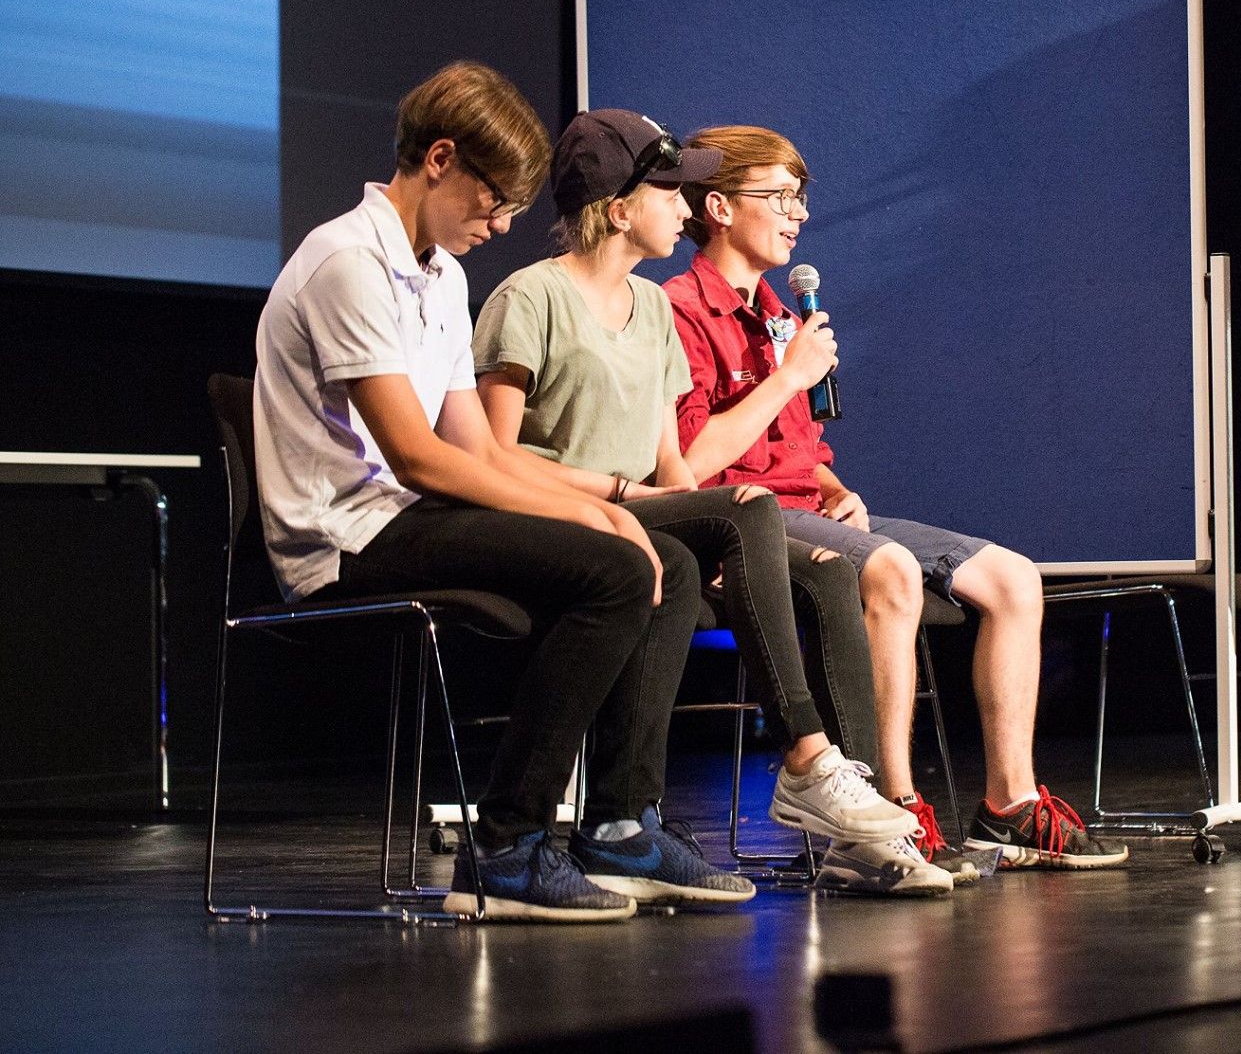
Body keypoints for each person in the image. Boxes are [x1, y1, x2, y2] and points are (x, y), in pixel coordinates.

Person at [253, 62, 723, 922]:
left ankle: (621, 824)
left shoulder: (442, 276)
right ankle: (507, 846)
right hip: (347, 535)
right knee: (617, 571)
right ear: (440, 159)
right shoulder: (348, 261)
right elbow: (418, 457)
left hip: (408, 515)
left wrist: (607, 511)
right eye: (494, 199)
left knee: (671, 562)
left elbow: (477, 448)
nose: (502, 223)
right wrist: (584, 512)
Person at [472, 108, 936, 894]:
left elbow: (674, 472)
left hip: (642, 506)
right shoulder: (531, 297)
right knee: (745, 506)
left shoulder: (649, 308)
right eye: (667, 192)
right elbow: (495, 456)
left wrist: (724, 548)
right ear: (620, 209)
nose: (683, 208)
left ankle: (847, 834)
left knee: (821, 566)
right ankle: (806, 756)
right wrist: (625, 495)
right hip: (564, 510)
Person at [663, 124, 1128, 878]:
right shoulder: (679, 310)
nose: (797, 213)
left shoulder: (783, 313)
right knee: (891, 570)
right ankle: (892, 809)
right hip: (742, 520)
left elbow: (802, 450)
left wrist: (837, 488)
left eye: (800, 197)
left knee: (1014, 579)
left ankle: (1008, 806)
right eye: (779, 196)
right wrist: (788, 376)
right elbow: (688, 462)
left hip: (807, 506)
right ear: (718, 207)